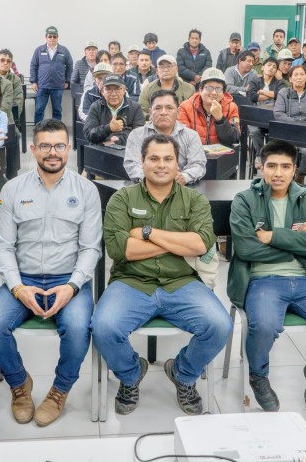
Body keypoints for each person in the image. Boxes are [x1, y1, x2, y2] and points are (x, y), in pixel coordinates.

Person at [92, 134, 232, 415]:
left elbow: (201, 243)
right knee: (103, 328)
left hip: (181, 282)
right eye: (153, 158)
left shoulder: (194, 200)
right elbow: (120, 249)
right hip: (131, 282)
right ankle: (131, 375)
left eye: (168, 159)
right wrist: (177, 243)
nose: (161, 165)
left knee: (220, 326)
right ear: (142, 163)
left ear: (177, 163)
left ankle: (183, 373)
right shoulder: (122, 199)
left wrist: (147, 233)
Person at [0, 119, 101, 427]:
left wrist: (73, 287)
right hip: (24, 278)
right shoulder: (12, 190)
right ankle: (20, 384)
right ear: (33, 149)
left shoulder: (86, 191)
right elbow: (3, 247)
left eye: (59, 146)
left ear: (69, 149)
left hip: (68, 279)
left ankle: (59, 391)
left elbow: (91, 249)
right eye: (45, 146)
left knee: (77, 329)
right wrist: (18, 288)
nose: (52, 153)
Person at [228, 140, 306, 413]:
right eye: (272, 166)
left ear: (295, 169)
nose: (278, 173)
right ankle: (258, 376)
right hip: (262, 280)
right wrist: (295, 244)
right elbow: (247, 249)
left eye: (285, 166)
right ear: (261, 167)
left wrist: (272, 237)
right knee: (264, 326)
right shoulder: (245, 200)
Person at [125, 90, 206, 184]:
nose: (163, 112)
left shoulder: (191, 136)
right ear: (150, 112)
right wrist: (153, 179)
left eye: (169, 108)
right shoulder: (136, 135)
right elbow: (132, 164)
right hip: (145, 189)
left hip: (182, 189)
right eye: (158, 108)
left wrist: (184, 177)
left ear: (178, 112)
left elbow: (198, 164)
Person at [273, 65, 306, 184]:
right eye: (295, 75)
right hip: (289, 129)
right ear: (290, 79)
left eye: (302, 74)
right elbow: (278, 113)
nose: (299, 78)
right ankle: (287, 176)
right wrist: (295, 124)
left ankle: (300, 174)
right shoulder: (283, 93)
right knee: (287, 151)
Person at [177, 68, 240, 146]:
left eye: (218, 89)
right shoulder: (185, 107)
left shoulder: (232, 107)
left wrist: (220, 119)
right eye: (209, 88)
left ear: (223, 92)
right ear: (200, 89)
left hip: (222, 156)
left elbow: (235, 139)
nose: (214, 93)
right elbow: (182, 139)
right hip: (194, 155)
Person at [29, 26, 74, 123]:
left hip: (57, 86)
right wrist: (33, 81)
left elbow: (70, 66)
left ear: (58, 37)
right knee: (39, 110)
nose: (52, 38)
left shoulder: (64, 50)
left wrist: (67, 81)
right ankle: (38, 130)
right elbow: (33, 66)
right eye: (50, 36)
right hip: (42, 86)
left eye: (54, 36)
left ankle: (56, 130)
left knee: (57, 110)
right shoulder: (39, 50)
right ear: (46, 37)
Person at [83, 75, 145, 145]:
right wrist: (108, 128)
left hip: (127, 150)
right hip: (101, 150)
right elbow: (89, 134)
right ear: (102, 91)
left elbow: (139, 135)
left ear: (124, 90)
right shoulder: (96, 107)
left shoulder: (135, 107)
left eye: (117, 89)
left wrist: (118, 140)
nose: (113, 94)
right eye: (108, 89)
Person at [246, 57, 286, 161]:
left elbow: (281, 96)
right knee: (254, 131)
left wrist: (263, 92)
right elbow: (253, 96)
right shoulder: (254, 80)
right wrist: (272, 95)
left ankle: (271, 155)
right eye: (269, 65)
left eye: (274, 67)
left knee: (279, 131)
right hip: (256, 114)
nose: (271, 68)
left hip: (273, 115)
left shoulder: (279, 82)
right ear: (263, 67)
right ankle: (260, 155)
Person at [0, 49, 25, 125]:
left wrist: (14, 118)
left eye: (8, 61)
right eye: (2, 60)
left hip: (9, 116)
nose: (5, 63)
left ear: (11, 64)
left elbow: (18, 100)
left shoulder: (15, 79)